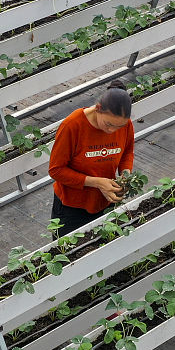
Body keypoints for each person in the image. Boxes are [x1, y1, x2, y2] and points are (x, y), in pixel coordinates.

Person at [48, 80, 135, 238]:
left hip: (106, 201)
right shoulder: (73, 126)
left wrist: (125, 175)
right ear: (98, 108)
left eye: (119, 127)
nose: (112, 130)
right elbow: (56, 170)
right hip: (72, 207)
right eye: (108, 124)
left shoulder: (125, 124)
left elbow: (127, 152)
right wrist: (97, 182)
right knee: (71, 250)